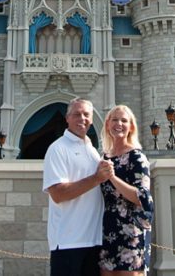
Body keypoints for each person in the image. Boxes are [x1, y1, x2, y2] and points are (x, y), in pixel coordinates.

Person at [43, 98, 113, 276]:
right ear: (67, 118)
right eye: (77, 114)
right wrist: (96, 178)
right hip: (68, 243)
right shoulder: (58, 149)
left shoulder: (91, 149)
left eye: (86, 114)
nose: (82, 118)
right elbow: (58, 193)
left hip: (94, 242)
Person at [99, 105, 154, 275]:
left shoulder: (137, 157)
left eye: (124, 120)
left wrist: (112, 178)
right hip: (107, 230)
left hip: (131, 231)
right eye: (114, 120)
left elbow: (142, 197)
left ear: (131, 126)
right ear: (107, 125)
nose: (119, 124)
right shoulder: (104, 157)